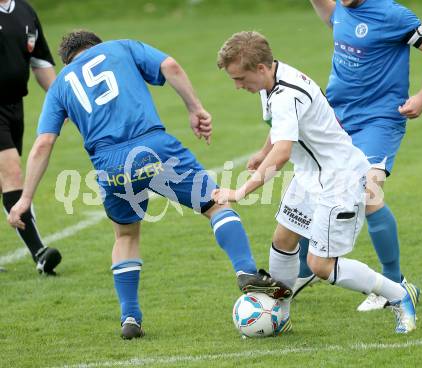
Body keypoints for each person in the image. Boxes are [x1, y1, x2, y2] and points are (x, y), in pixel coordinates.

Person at [7, 30, 292, 339]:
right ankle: (245, 269)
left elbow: (43, 144)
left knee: (126, 235)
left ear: (67, 60)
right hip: (154, 149)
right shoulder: (122, 48)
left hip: (110, 166)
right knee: (215, 203)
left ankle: (130, 317)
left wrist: (24, 199)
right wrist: (195, 108)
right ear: (96, 45)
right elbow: (170, 66)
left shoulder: (60, 85)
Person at [213, 30, 418, 334]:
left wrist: (241, 190)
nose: (237, 86)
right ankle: (279, 314)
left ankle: (399, 296)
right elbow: (281, 129)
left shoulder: (286, 93)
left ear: (260, 68)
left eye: (240, 79)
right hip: (310, 174)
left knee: (321, 265)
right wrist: (262, 151)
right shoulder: (270, 81)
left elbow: (283, 152)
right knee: (283, 240)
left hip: (339, 179)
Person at [295, 0, 422, 311]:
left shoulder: (394, 15)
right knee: (311, 185)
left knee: (368, 192)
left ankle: (395, 283)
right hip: (336, 117)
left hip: (379, 119)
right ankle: (304, 270)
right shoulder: (340, 11)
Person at [0, 0, 62, 274]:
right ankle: (39, 252)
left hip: (15, 107)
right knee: (12, 174)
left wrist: (64, 99)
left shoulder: (25, 11)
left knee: (3, 182)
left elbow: (40, 62)